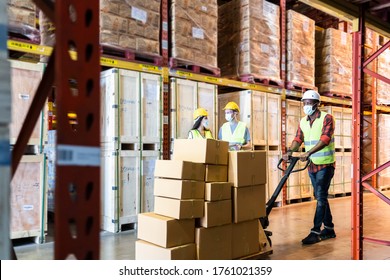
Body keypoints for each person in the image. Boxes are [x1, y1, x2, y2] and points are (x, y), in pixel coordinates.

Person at [283, 90, 336, 245]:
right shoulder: (303, 121)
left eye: (309, 103)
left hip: (325, 164)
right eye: (304, 103)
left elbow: (325, 139)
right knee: (321, 196)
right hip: (312, 164)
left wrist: (308, 152)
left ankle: (315, 231)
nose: (306, 105)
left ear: (316, 104)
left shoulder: (327, 118)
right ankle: (329, 228)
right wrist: (289, 152)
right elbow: (298, 138)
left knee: (320, 196)